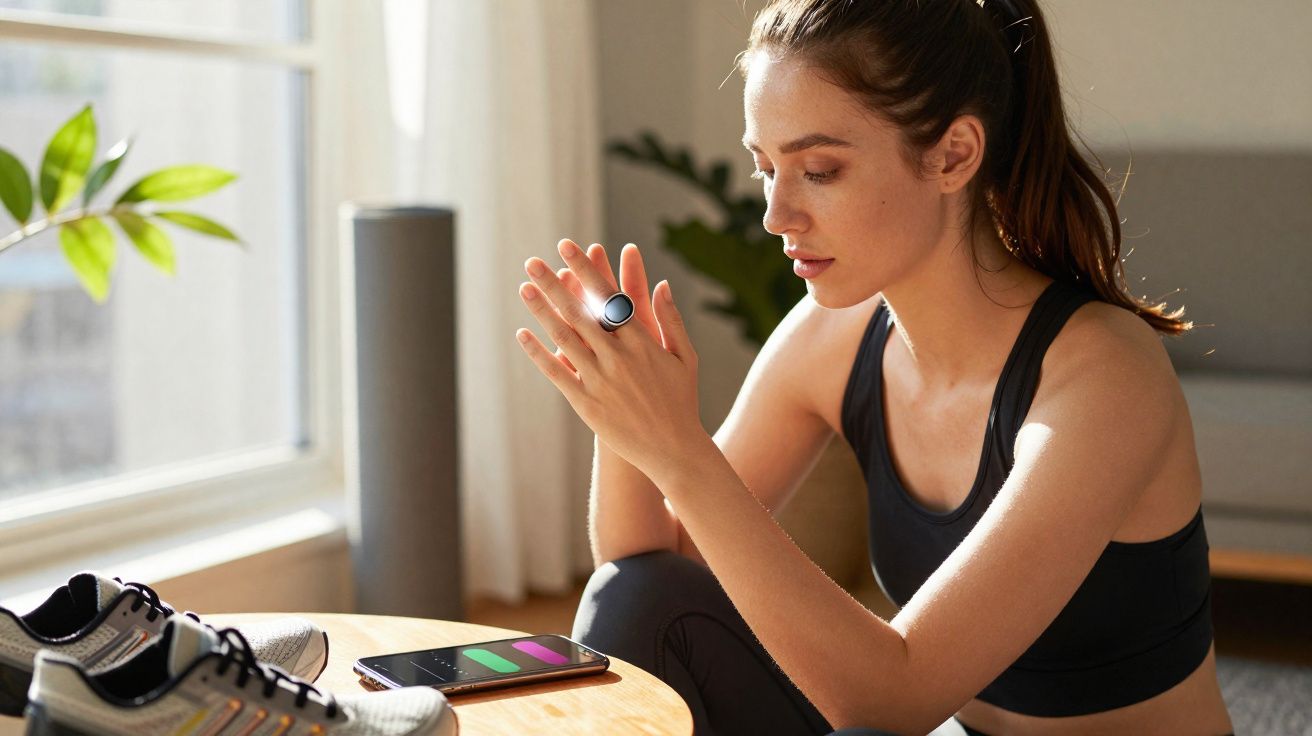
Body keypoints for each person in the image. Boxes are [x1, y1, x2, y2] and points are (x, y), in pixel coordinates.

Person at [513, 1, 1235, 734]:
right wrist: (625, 400)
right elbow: (649, 567)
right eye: (767, 168)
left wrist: (682, 452)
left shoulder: (1102, 377)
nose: (776, 214)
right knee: (635, 596)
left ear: (954, 155)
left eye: (819, 170)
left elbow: (895, 700)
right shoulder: (838, 335)